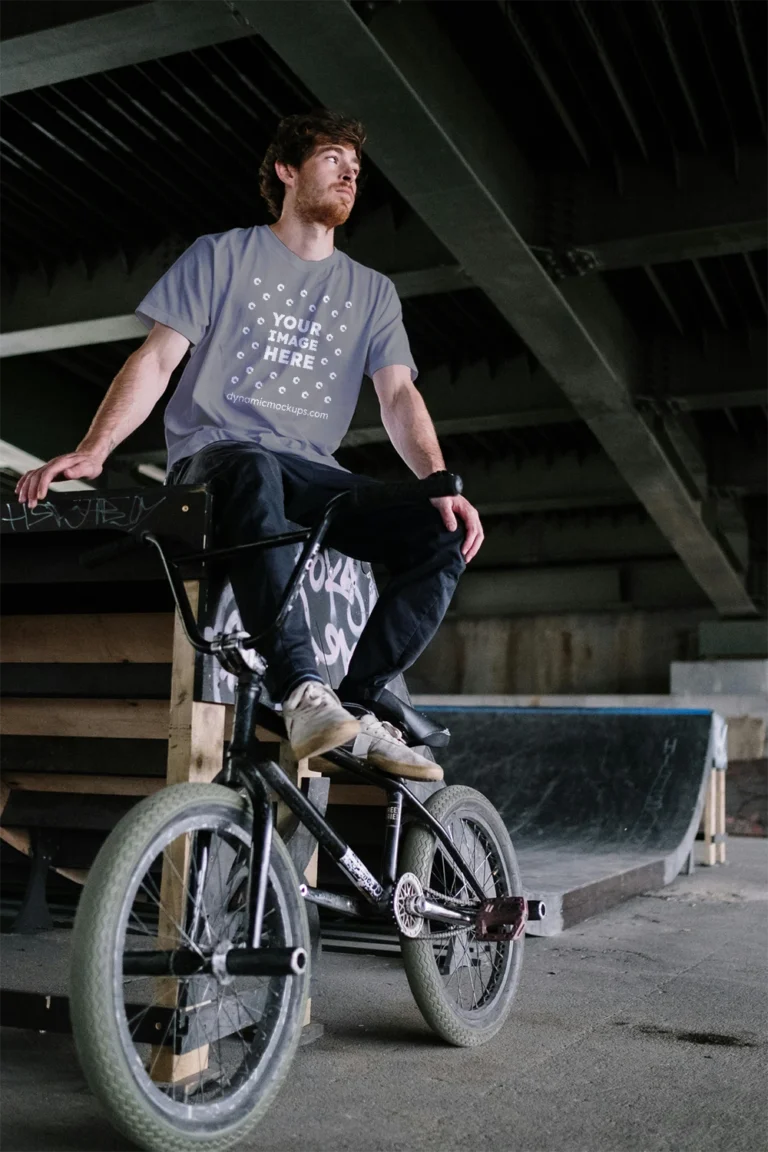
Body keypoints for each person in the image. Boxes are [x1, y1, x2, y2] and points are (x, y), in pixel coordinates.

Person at [15, 110, 483, 781]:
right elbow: (156, 359)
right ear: (286, 171)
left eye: (355, 165)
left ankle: (357, 706)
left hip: (312, 472)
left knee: (436, 532)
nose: (349, 171)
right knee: (254, 465)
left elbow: (398, 396)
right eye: (331, 157)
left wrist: (437, 481)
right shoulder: (221, 255)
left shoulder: (372, 293)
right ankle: (303, 691)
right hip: (219, 460)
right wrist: (96, 447)